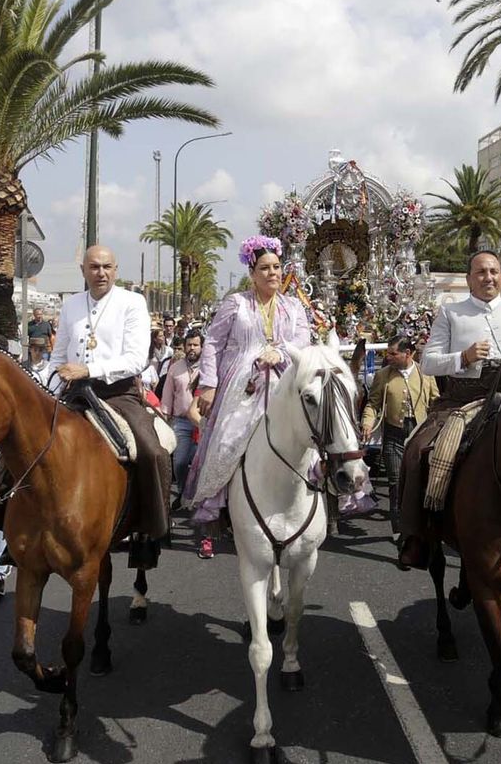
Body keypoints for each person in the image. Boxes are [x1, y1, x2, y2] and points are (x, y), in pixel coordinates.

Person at [395, 249, 501, 571]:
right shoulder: (451, 313)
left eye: (494, 271)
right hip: (463, 401)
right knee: (416, 448)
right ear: (469, 279)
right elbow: (427, 363)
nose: (488, 277)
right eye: (481, 272)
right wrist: (462, 358)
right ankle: (416, 535)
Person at [185, 237, 314, 560]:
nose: (272, 274)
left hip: (283, 381)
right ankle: (217, 509)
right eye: (264, 268)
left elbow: (303, 340)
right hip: (242, 384)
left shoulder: (293, 306)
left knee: (312, 434)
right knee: (228, 441)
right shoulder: (236, 304)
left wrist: (279, 351)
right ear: (252, 273)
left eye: (276, 267)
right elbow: (213, 342)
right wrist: (209, 385)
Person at [52, 245, 171, 567]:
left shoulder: (132, 302)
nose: (100, 273)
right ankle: (10, 527)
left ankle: (152, 527)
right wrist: (48, 389)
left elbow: (135, 358)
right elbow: (58, 354)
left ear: (116, 270)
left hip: (118, 393)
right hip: (74, 392)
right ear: (84, 271)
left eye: (106, 267)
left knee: (151, 451)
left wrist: (90, 370)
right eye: (93, 267)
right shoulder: (71, 305)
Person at [361, 337, 438, 519]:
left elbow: (436, 400)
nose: (388, 357)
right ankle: (398, 529)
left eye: (393, 353)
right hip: (393, 436)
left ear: (408, 354)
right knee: (395, 482)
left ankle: (416, 521)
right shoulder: (383, 375)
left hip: (420, 435)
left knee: (418, 481)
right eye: (388, 353)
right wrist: (367, 422)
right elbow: (373, 404)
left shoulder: (425, 373)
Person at [161, 328, 204, 509]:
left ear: (202, 347)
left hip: (205, 423)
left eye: (196, 345)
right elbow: (167, 395)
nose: (192, 348)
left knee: (200, 461)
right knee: (179, 462)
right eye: (189, 345)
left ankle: (198, 496)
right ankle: (183, 492)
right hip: (181, 422)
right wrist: (165, 417)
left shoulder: (209, 367)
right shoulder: (175, 368)